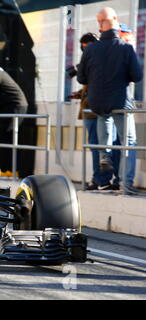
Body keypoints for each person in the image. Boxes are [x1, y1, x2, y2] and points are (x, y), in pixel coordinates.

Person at [77, 7, 143, 194]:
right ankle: (126, 184)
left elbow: (81, 78)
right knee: (127, 142)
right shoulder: (125, 47)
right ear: (115, 19)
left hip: (97, 102)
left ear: (100, 23)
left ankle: (105, 155)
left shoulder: (91, 49)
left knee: (103, 125)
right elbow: (137, 76)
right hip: (120, 101)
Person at [68, 32, 120, 190]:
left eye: (89, 47)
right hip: (90, 109)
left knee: (104, 146)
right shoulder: (91, 61)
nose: (87, 51)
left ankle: (103, 179)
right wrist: (81, 93)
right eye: (84, 48)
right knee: (96, 146)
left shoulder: (103, 60)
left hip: (100, 109)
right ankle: (100, 178)